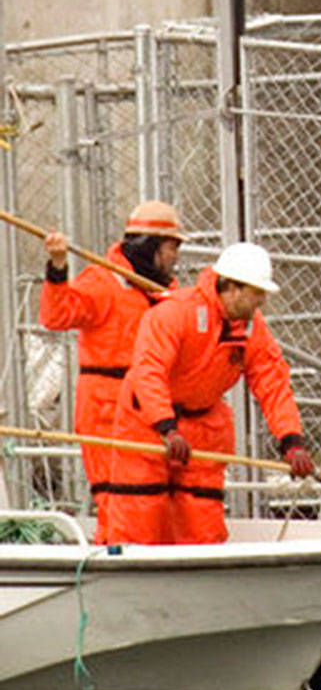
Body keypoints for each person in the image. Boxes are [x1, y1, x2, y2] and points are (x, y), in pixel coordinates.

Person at [104, 242, 315, 545]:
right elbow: (149, 372)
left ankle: (195, 580)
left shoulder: (251, 329)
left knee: (202, 522)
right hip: (146, 427)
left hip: (201, 427)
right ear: (231, 288)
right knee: (140, 513)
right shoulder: (176, 313)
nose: (263, 301)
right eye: (257, 292)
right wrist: (166, 426)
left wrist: (291, 441)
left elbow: (272, 382)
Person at [38, 200, 184, 543]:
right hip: (106, 412)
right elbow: (57, 316)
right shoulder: (103, 281)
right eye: (171, 247)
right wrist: (58, 268)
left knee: (157, 502)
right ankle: (115, 558)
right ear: (150, 246)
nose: (176, 256)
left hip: (153, 412)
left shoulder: (166, 292)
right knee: (117, 499)